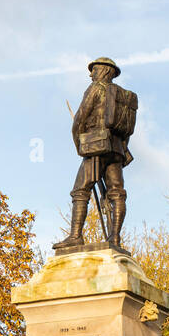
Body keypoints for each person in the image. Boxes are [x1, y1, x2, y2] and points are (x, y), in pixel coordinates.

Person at [60, 57, 137, 250]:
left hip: (96, 146)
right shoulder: (122, 95)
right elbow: (127, 131)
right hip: (117, 150)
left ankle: (75, 236)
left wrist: (80, 145)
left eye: (93, 70)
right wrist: (120, 148)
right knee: (117, 193)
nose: (91, 74)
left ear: (102, 71)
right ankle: (115, 239)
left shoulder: (95, 88)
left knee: (80, 190)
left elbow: (79, 120)